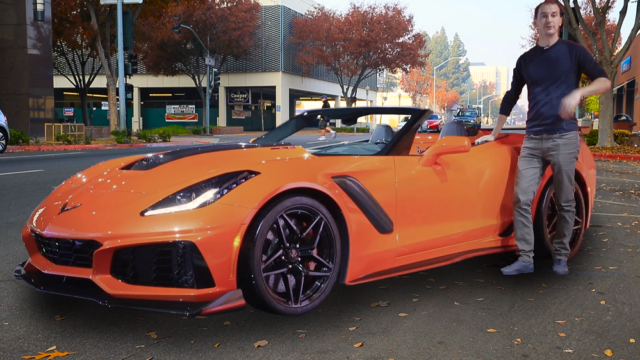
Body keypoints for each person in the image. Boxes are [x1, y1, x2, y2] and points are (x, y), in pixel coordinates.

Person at [475, 1, 611, 276]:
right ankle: (525, 257)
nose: (549, 20)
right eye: (543, 16)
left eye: (554, 15)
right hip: (533, 140)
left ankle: (560, 255)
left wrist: (577, 94)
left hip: (564, 138)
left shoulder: (574, 53)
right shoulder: (526, 60)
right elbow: (511, 97)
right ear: (535, 22)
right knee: (522, 199)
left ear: (560, 21)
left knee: (564, 201)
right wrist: (495, 133)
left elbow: (604, 81)